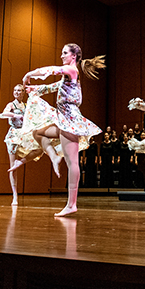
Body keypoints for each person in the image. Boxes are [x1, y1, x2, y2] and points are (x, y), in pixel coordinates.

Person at [16, 43, 105, 216]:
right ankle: (54, 156)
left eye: (64, 53)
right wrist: (35, 88)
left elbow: (52, 69)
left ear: (73, 56)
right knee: (37, 132)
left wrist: (30, 73)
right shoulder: (68, 76)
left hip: (70, 119)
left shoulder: (72, 71)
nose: (61, 56)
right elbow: (53, 86)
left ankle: (72, 204)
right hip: (61, 118)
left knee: (72, 162)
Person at [0, 84, 42, 205]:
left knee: (40, 149)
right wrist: (16, 115)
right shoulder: (11, 105)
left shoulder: (26, 105)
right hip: (14, 134)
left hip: (25, 133)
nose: (16, 92)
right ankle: (15, 195)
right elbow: (5, 113)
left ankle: (21, 162)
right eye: (15, 90)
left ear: (23, 93)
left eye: (19, 90)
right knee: (12, 167)